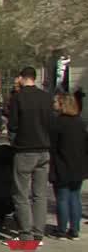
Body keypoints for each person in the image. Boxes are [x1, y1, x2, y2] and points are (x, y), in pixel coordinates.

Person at [6, 67, 53, 245]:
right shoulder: (46, 97)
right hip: (44, 149)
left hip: (25, 149)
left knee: (21, 193)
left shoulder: (18, 97)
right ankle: (38, 232)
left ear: (22, 78)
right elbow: (51, 122)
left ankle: (26, 233)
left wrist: (13, 138)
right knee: (40, 194)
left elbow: (13, 124)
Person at [49, 94, 87, 240]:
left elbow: (53, 145)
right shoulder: (80, 122)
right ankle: (74, 230)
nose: (53, 104)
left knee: (63, 198)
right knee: (75, 197)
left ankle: (61, 230)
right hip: (78, 165)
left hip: (62, 165)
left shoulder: (58, 122)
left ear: (62, 104)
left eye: (56, 102)